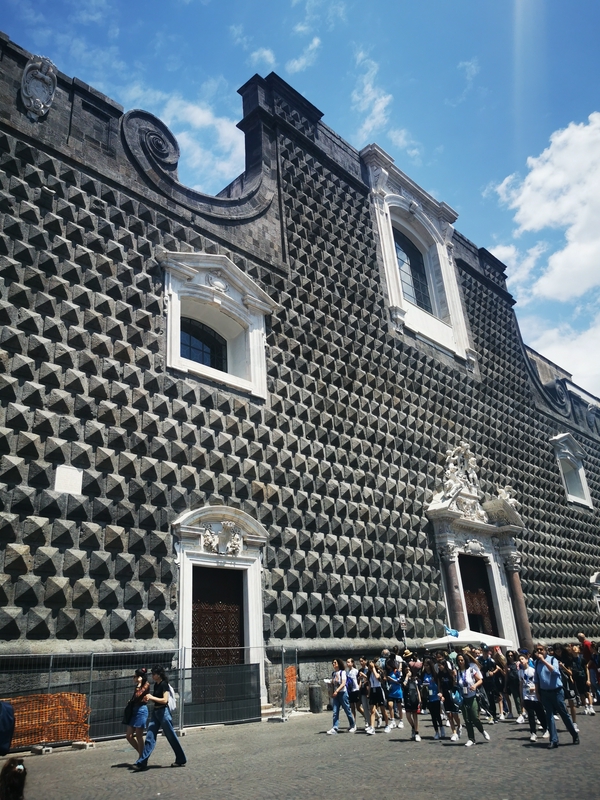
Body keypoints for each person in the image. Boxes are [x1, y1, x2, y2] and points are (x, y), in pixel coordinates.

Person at [132, 665, 187, 770]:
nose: (152, 676)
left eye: (154, 674)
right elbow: (157, 699)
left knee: (171, 737)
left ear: (158, 675)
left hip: (163, 713)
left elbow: (165, 700)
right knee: (150, 736)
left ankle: (181, 759)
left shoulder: (163, 684)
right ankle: (142, 762)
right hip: (156, 712)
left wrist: (151, 697)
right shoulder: (156, 685)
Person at [533, 644, 579, 749]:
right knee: (549, 716)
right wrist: (537, 692)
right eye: (537, 650)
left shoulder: (553, 659)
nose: (539, 651)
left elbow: (554, 671)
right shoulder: (536, 663)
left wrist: (543, 661)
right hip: (545, 693)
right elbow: (536, 679)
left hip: (557, 692)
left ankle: (574, 734)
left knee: (564, 714)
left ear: (545, 650)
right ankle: (554, 740)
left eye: (541, 649)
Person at [456, 652, 490, 747]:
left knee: (475, 717)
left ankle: (482, 731)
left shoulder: (470, 670)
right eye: (458, 660)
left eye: (462, 660)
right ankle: (471, 738)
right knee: (467, 719)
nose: (460, 662)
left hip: (472, 696)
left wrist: (475, 685)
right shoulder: (458, 672)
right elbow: (457, 684)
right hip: (463, 698)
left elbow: (480, 680)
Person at [518, 653, 548, 742]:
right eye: (519, 660)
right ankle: (533, 733)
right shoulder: (520, 672)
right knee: (531, 715)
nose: (521, 661)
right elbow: (521, 685)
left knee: (540, 714)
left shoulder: (533, 670)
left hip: (535, 696)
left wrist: (534, 688)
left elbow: (538, 682)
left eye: (522, 659)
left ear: (527, 660)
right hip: (526, 696)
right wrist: (521, 698)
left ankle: (546, 729)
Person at [125, 667, 150, 759]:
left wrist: (139, 684)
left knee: (139, 735)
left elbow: (138, 695)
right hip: (134, 710)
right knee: (129, 736)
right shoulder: (138, 686)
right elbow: (135, 697)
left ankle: (141, 758)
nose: (133, 678)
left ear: (140, 677)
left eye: (135, 676)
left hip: (141, 711)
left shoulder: (146, 684)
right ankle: (143, 755)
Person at [326, 658, 356, 734]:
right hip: (336, 694)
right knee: (335, 711)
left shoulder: (342, 672)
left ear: (338, 664)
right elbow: (334, 683)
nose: (333, 664)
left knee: (347, 710)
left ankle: (352, 725)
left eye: (335, 662)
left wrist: (336, 691)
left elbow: (343, 683)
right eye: (333, 663)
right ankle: (335, 727)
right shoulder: (334, 673)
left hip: (343, 693)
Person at [435, 655, 461, 740]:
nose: (439, 667)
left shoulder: (450, 673)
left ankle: (459, 725)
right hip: (445, 695)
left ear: (444, 665)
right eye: (438, 665)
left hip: (452, 694)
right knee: (449, 715)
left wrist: (454, 677)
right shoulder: (439, 674)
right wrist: (440, 694)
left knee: (455, 714)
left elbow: (455, 684)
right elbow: (439, 686)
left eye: (440, 665)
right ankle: (454, 733)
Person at [422, 658, 444, 739]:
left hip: (436, 695)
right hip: (429, 696)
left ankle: (441, 728)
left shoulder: (435, 674)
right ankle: (436, 732)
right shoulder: (423, 674)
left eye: (427, 665)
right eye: (424, 665)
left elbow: (438, 683)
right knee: (432, 716)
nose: (426, 667)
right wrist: (424, 684)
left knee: (437, 714)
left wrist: (440, 692)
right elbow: (422, 683)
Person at [366, 659, 389, 735]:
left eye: (370, 666)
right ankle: (372, 727)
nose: (369, 667)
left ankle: (387, 725)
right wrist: (369, 693)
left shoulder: (378, 671)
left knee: (383, 709)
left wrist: (373, 669)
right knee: (372, 710)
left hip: (379, 690)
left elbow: (378, 678)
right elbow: (369, 684)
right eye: (368, 666)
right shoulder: (369, 673)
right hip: (373, 690)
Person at [403, 660, 422, 741]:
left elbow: (417, 689)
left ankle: (417, 733)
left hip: (414, 698)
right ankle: (413, 727)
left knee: (415, 715)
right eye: (406, 670)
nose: (408, 671)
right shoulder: (403, 678)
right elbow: (403, 685)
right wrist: (407, 676)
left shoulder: (414, 679)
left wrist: (420, 699)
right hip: (407, 698)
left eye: (409, 669)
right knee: (408, 716)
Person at [345, 657, 366, 728]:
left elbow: (359, 680)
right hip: (350, 691)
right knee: (352, 708)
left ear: (352, 663)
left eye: (349, 662)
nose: (347, 663)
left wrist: (359, 687)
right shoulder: (347, 672)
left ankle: (366, 717)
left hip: (356, 690)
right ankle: (353, 724)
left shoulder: (356, 671)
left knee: (358, 707)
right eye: (347, 662)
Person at [384, 654, 403, 731]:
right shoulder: (388, 672)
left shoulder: (396, 671)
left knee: (399, 706)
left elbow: (400, 681)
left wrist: (391, 679)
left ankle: (401, 720)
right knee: (390, 705)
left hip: (398, 690)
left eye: (388, 665)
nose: (388, 666)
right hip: (391, 691)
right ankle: (392, 720)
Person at [504, 650, 522, 720]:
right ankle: (520, 713)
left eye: (511, 655)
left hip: (519, 682)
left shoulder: (517, 663)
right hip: (512, 683)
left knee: (522, 698)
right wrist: (505, 686)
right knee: (516, 699)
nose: (510, 657)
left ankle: (524, 712)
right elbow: (506, 676)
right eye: (509, 656)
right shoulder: (506, 664)